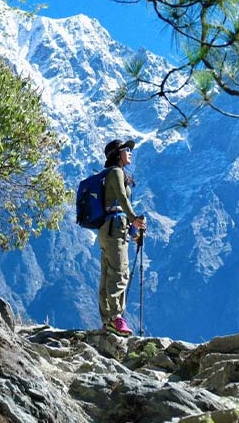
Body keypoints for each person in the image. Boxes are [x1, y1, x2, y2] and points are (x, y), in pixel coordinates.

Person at [98, 139, 147, 336]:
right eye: (127, 150)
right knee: (119, 272)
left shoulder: (109, 174)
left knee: (108, 273)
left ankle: (107, 320)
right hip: (115, 229)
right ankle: (116, 319)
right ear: (117, 154)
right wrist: (134, 220)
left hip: (107, 229)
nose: (130, 152)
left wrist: (132, 230)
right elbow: (122, 197)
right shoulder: (116, 173)